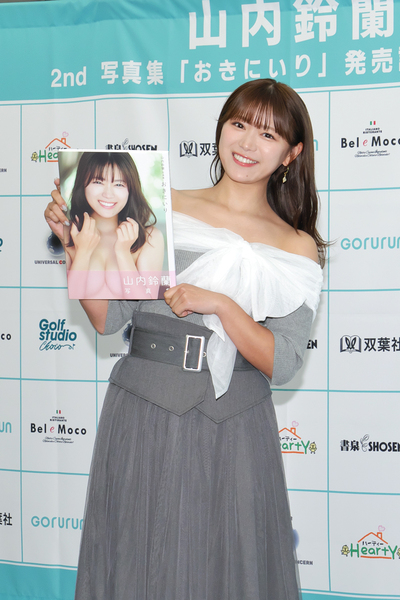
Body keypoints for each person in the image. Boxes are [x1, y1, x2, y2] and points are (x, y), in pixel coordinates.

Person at [44, 79, 325, 600]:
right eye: (239, 124)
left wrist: (221, 304)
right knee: (137, 563)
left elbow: (283, 361)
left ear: (292, 153)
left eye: (268, 134)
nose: (247, 143)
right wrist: (75, 249)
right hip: (145, 408)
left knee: (228, 569)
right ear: (220, 129)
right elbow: (109, 318)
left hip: (235, 420)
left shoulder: (297, 247)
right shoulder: (162, 206)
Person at [51, 151, 164, 299]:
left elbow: (147, 304)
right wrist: (83, 251)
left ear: (130, 189)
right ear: (82, 183)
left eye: (119, 184)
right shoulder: (68, 232)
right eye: (98, 182)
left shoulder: (150, 237)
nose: (108, 194)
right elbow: (70, 299)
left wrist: (123, 252)